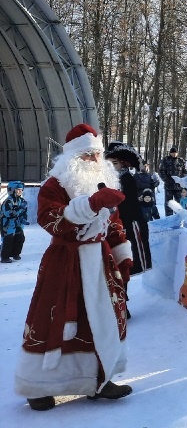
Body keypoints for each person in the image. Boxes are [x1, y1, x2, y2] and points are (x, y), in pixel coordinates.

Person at [14, 124, 133, 411]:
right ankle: (38, 386)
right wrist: (89, 205)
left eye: (97, 154)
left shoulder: (105, 180)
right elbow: (50, 219)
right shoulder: (55, 184)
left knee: (102, 321)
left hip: (100, 261)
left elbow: (113, 223)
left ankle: (96, 380)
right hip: (66, 262)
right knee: (53, 321)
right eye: (88, 154)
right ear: (72, 157)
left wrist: (122, 254)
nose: (94, 160)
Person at [105, 142, 152, 277]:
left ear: (123, 164)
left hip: (131, 224)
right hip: (116, 224)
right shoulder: (109, 179)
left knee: (131, 258)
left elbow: (128, 206)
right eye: (109, 163)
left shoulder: (126, 179)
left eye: (114, 163)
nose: (111, 167)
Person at [1, 181, 28, 262]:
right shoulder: (8, 201)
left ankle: (16, 254)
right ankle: (5, 257)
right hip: (7, 224)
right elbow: (8, 214)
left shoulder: (22, 200)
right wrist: (19, 210)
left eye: (21, 190)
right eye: (18, 190)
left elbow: (24, 212)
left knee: (20, 238)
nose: (20, 192)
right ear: (11, 190)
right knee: (8, 240)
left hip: (17, 224)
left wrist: (23, 219)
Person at [158, 146, 187, 216]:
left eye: (175, 153)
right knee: (169, 203)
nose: (174, 154)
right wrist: (167, 180)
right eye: (173, 153)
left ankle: (179, 217)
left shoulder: (181, 161)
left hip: (178, 186)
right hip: (169, 186)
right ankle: (169, 217)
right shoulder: (165, 160)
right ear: (170, 153)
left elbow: (185, 172)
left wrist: (180, 179)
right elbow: (161, 171)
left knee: (179, 203)